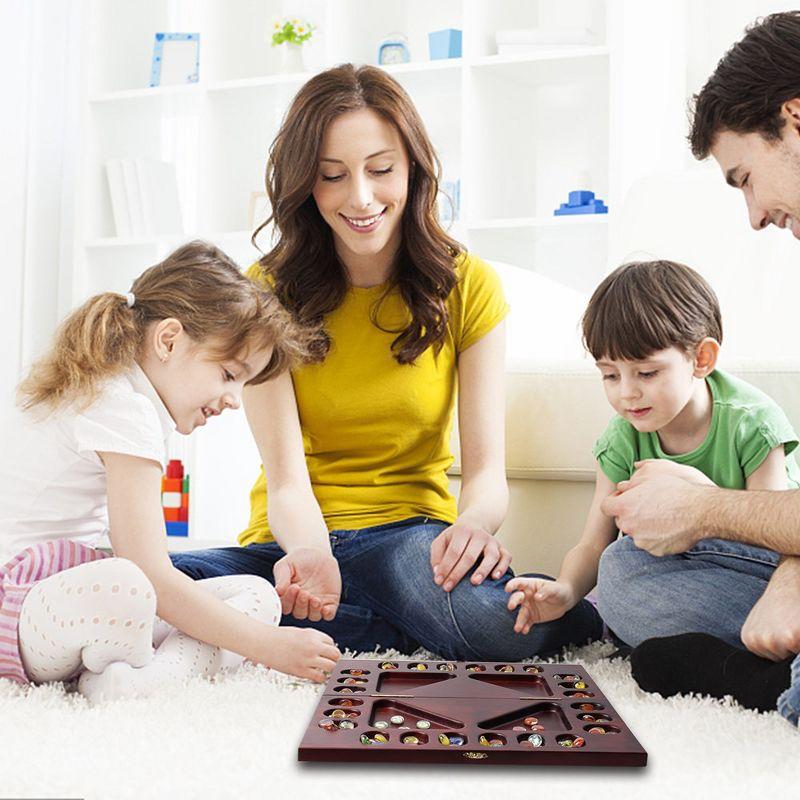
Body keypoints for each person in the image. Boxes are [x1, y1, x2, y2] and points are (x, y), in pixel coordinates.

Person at [171, 64, 603, 660]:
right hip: (293, 546)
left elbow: (485, 475)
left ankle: (273, 629)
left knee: (491, 625)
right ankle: (352, 624)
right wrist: (313, 555)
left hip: (409, 545)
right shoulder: (266, 291)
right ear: (305, 183)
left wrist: (473, 528)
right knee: (147, 582)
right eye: (332, 176)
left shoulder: (467, 285)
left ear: (414, 170)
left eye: (381, 170)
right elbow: (287, 479)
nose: (361, 198)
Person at [0, 241, 340, 703]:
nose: (234, 401)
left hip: (62, 607)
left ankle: (130, 681)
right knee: (132, 587)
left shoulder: (116, 391)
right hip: (18, 609)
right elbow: (152, 575)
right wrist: (270, 648)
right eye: (228, 374)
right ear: (168, 339)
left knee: (255, 595)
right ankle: (141, 671)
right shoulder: (121, 406)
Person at [597, 11, 800, 725]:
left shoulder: (747, 420)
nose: (753, 216)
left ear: (796, 120)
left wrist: (705, 509)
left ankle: (773, 686)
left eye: (746, 178)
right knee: (624, 577)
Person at [506, 260, 800, 637]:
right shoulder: (621, 437)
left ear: (701, 359)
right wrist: (565, 592)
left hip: (760, 576)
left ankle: (725, 644)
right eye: (610, 375)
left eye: (646, 373)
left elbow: (771, 545)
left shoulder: (752, 423)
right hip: (681, 577)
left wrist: (698, 495)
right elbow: (594, 541)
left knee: (624, 582)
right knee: (619, 570)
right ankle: (723, 649)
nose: (627, 392)